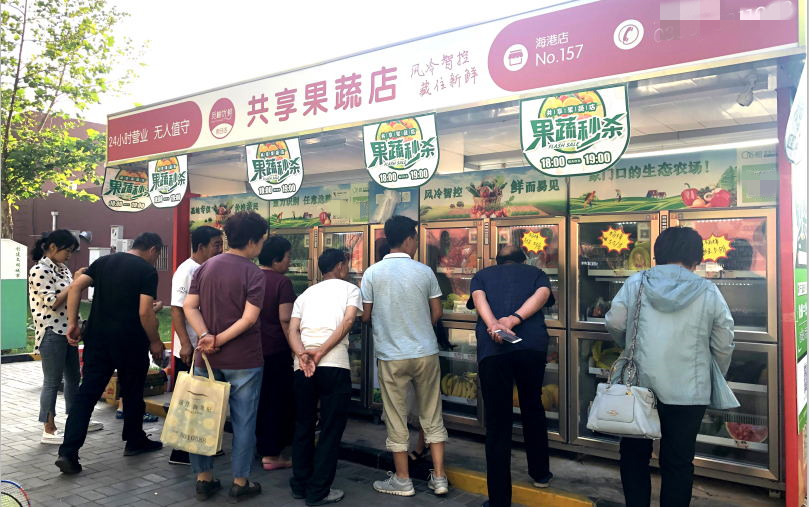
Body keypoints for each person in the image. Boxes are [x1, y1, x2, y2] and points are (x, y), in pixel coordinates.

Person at [605, 226, 735, 507]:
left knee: (634, 456)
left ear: (657, 254)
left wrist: (628, 345)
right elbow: (724, 341)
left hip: (637, 387)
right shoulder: (708, 290)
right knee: (678, 462)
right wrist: (715, 375)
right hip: (690, 390)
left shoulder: (636, 282)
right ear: (697, 257)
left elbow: (615, 322)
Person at [55, 233, 166, 475]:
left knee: (87, 394)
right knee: (132, 391)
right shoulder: (146, 271)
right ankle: (134, 441)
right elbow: (144, 312)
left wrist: (73, 322)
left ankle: (68, 452)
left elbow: (75, 286)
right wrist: (155, 341)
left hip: (98, 339)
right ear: (153, 250)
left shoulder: (104, 262)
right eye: (157, 255)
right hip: (130, 341)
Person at [360, 215, 449, 497]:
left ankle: (402, 479)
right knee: (431, 412)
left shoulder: (372, 273)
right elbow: (437, 312)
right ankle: (439, 477)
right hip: (425, 353)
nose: (417, 244)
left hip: (391, 355)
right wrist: (420, 328)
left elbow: (366, 315)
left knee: (395, 416)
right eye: (415, 239)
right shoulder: (424, 271)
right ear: (409, 239)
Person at [183, 211, 268, 503]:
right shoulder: (254, 273)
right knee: (244, 422)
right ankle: (240, 482)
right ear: (253, 241)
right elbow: (249, 319)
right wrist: (217, 339)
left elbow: (189, 306)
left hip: (206, 359)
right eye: (262, 240)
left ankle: (203, 479)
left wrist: (206, 336)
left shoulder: (205, 267)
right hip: (244, 360)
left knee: (201, 418)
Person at [469, 245, 555, 507]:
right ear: (523, 260)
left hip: (493, 351)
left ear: (498, 261)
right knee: (532, 407)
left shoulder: (482, 275)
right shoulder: (536, 274)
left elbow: (479, 300)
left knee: (497, 423)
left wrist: (494, 325)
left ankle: (499, 500)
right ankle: (540, 474)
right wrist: (513, 320)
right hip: (531, 349)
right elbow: (543, 294)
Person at [287, 248, 362, 506]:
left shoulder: (306, 294)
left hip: (303, 366)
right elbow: (349, 321)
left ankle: (300, 484)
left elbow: (293, 330)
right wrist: (321, 351)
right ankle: (318, 490)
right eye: (346, 265)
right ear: (340, 266)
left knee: (303, 424)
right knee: (330, 428)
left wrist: (302, 354)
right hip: (334, 365)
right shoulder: (350, 290)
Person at [29, 230, 104, 445]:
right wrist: (75, 283)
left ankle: (75, 420)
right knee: (52, 382)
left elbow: (72, 294)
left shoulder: (62, 269)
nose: (69, 255)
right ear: (53, 247)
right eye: (67, 251)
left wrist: (76, 280)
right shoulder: (39, 270)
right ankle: (48, 428)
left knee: (73, 378)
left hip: (69, 331)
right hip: (51, 332)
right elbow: (53, 302)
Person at [168, 225, 223, 466]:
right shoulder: (187, 270)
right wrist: (185, 344)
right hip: (191, 347)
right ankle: (180, 452)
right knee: (189, 398)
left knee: (203, 398)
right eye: (216, 245)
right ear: (201, 246)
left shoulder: (205, 268)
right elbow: (176, 309)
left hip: (203, 345)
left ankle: (200, 445)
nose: (220, 249)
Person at [255, 235, 296, 470]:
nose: (289, 261)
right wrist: (296, 349)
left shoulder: (250, 276)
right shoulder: (282, 283)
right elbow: (285, 319)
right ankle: (271, 455)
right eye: (288, 256)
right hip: (275, 351)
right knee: (275, 402)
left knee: (257, 402)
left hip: (251, 351)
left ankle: (259, 447)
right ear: (276, 258)